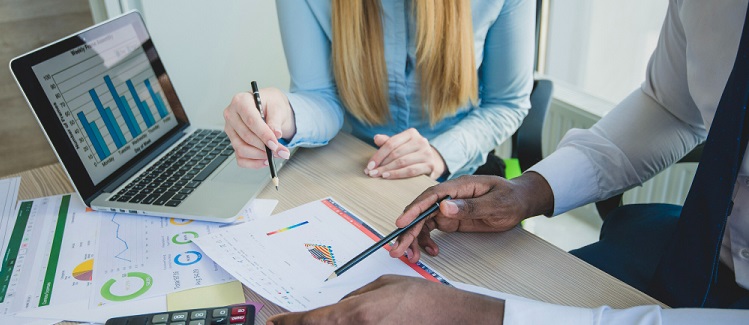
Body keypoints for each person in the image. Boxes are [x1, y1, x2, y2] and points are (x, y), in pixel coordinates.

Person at [267, 0, 749, 323]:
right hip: (707, 241)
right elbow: (669, 106)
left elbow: (507, 101)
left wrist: (478, 313)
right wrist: (531, 189)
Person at [223, 0, 534, 181]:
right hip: (354, 169)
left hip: (457, 171)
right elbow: (319, 96)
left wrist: (441, 153)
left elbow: (506, 103)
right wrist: (284, 111)